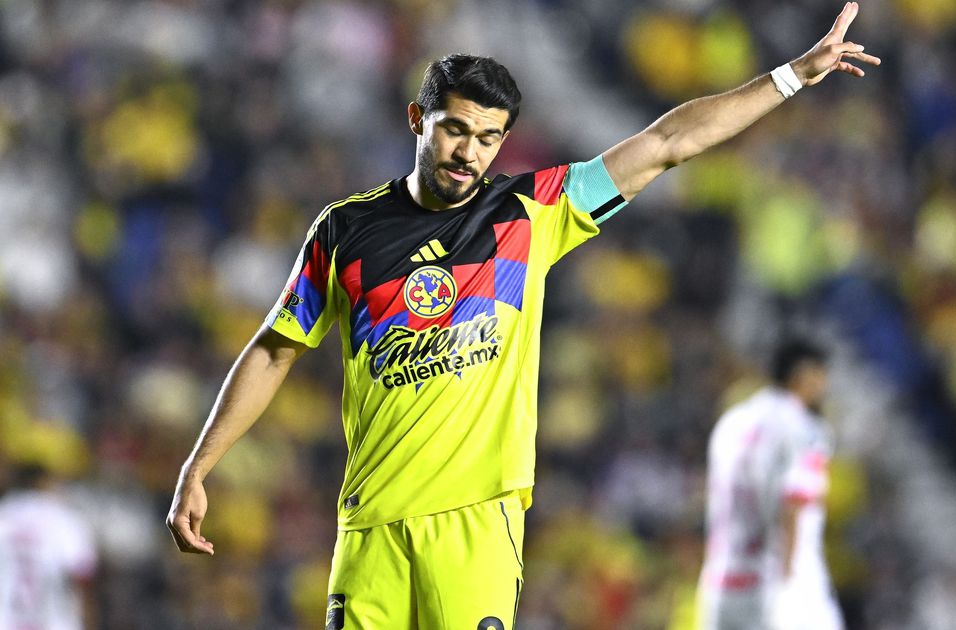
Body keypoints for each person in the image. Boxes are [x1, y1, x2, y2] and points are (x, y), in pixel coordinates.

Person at [166, 3, 878, 627]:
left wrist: (791, 77)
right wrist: (201, 465)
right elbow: (275, 349)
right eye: (455, 130)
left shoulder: (530, 212)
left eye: (488, 138)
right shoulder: (345, 231)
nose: (469, 153)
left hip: (477, 521)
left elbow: (667, 144)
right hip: (369, 525)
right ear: (417, 119)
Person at [699, 338, 842, 630]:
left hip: (721, 581)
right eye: (820, 375)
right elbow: (793, 505)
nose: (824, 386)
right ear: (803, 375)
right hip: (777, 585)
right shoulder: (803, 428)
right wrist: (787, 589)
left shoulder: (732, 421)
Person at [0, 463, 97, 630]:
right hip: (52, 622)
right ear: (41, 482)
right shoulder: (63, 517)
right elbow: (82, 574)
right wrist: (89, 617)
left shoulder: (4, 511)